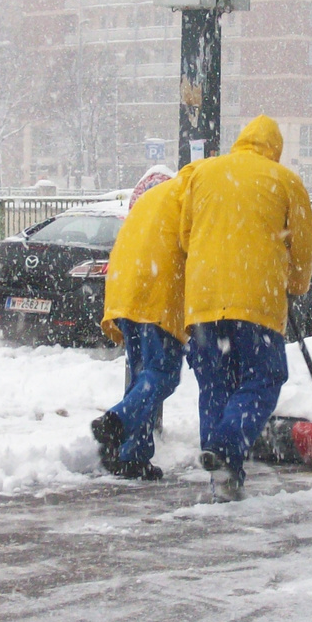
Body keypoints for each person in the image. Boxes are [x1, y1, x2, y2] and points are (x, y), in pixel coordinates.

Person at [179, 114, 312, 501]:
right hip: (256, 300)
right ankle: (226, 445)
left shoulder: (203, 174)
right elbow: (304, 246)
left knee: (215, 383)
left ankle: (224, 473)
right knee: (264, 377)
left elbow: (185, 235)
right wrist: (296, 284)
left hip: (204, 300)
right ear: (275, 148)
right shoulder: (285, 181)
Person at [91, 164, 194, 480]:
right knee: (163, 373)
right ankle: (116, 421)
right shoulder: (187, 200)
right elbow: (196, 248)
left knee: (142, 376)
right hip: (155, 293)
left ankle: (132, 456)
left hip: (126, 290)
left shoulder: (153, 199)